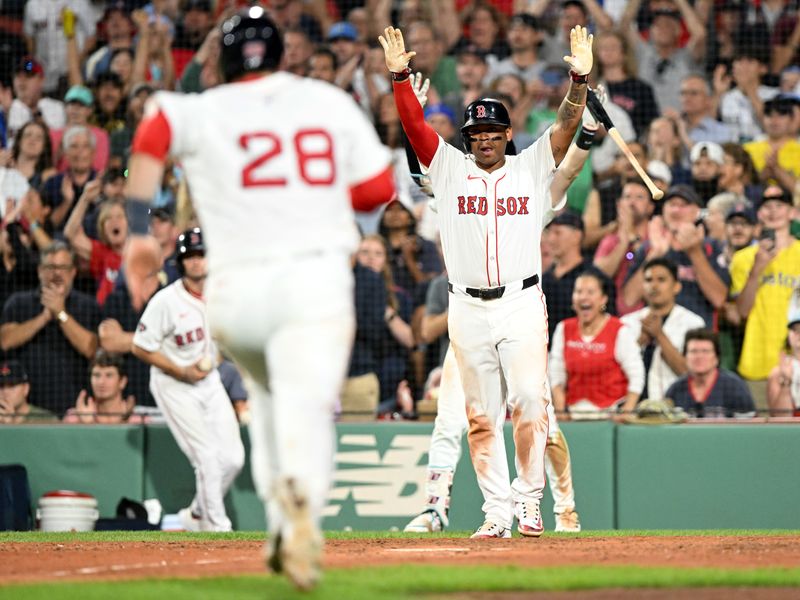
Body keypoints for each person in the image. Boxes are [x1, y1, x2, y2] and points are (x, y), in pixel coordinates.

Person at [125, 10, 394, 590]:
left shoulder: (204, 108)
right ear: (281, 54)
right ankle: (302, 506)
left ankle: (279, 522)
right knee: (305, 402)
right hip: (314, 282)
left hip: (235, 292)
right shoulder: (326, 101)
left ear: (222, 61)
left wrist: (138, 232)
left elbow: (151, 129)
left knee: (271, 397)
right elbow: (379, 189)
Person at [381, 23, 594, 538]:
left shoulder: (530, 167)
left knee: (526, 399)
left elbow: (567, 126)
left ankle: (528, 498)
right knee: (479, 418)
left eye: (493, 133)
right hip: (466, 307)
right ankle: (495, 513)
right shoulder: (449, 168)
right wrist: (400, 78)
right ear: (468, 139)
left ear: (506, 135)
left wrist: (580, 81)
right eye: (476, 134)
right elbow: (413, 128)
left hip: (521, 302)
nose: (485, 140)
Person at [132, 229, 244, 532]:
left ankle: (195, 514)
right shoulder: (166, 301)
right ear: (181, 262)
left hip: (208, 382)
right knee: (206, 457)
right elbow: (140, 346)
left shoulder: (220, 295)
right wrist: (180, 370)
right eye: (190, 256)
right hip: (174, 384)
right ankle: (217, 527)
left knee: (233, 459)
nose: (197, 262)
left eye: (201, 254)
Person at [0, 241, 100, 416]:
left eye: (63, 267)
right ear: (39, 271)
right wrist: (44, 317)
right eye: (50, 267)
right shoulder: (18, 303)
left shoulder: (88, 305)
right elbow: (6, 340)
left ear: (73, 272)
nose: (56, 273)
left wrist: (60, 313)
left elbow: (91, 348)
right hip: (27, 410)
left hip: (74, 408)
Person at [730, 185, 800, 412]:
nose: (773, 211)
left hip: (796, 362)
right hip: (756, 361)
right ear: (759, 214)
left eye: (780, 206)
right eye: (767, 206)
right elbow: (742, 312)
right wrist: (757, 269)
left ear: (792, 212)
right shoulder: (743, 259)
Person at [622, 184, 730, 328]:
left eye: (683, 205)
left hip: (698, 338)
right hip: (656, 334)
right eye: (671, 204)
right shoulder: (648, 248)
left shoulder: (712, 247)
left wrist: (695, 252)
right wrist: (655, 254)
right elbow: (629, 299)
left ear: (697, 211)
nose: (676, 210)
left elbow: (719, 299)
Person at [550, 268, 644, 419]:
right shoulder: (564, 329)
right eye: (579, 292)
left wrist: (627, 412)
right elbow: (556, 374)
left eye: (590, 292)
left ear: (603, 299)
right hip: (574, 415)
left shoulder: (619, 330)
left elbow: (636, 375)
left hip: (610, 414)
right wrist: (561, 410)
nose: (583, 297)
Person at [621, 257, 705, 401]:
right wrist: (640, 341)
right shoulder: (627, 323)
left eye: (661, 280)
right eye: (648, 280)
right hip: (631, 408)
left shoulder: (693, 323)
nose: (653, 286)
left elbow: (691, 373)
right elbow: (614, 371)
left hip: (674, 408)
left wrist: (659, 335)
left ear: (676, 286)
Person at [665, 328, 756, 418]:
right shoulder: (675, 390)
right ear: (685, 357)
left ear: (717, 357)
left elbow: (750, 427)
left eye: (705, 351)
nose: (699, 356)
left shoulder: (734, 387)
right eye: (693, 351)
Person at [63, 181, 127, 305]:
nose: (114, 222)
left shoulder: (141, 254)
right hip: (103, 316)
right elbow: (70, 234)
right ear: (103, 229)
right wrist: (85, 198)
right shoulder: (102, 253)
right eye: (108, 218)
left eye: (119, 216)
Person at [62, 350, 144, 424]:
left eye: (109, 375)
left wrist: (125, 421)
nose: (101, 382)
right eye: (96, 375)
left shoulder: (138, 419)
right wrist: (85, 424)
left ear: (122, 382)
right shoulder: (74, 418)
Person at [0, 359, 57, 423]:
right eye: (1, 386)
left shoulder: (45, 419)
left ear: (26, 389)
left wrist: (8, 429)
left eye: (12, 385)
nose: (5, 392)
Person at [768, 309, 800, 417]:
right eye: (795, 330)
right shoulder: (778, 373)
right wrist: (786, 383)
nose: (798, 334)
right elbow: (780, 419)